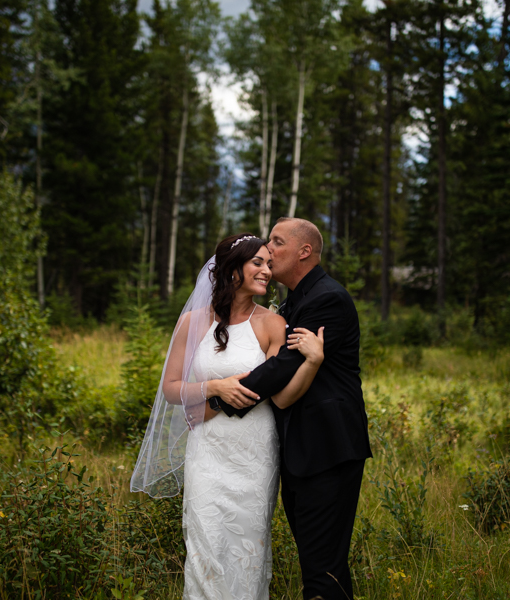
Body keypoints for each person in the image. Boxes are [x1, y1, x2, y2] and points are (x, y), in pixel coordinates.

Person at [131, 232, 325, 600]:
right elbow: (172, 388)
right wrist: (214, 388)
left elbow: (280, 397)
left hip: (254, 453)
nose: (267, 270)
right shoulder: (192, 322)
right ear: (232, 270)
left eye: (270, 263)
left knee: (247, 549)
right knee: (205, 546)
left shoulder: (273, 324)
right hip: (207, 452)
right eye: (259, 262)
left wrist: (313, 362)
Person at [214, 217, 372, 600]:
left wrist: (218, 398)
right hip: (302, 450)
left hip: (327, 449)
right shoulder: (293, 301)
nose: (268, 250)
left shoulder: (326, 299)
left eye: (277, 242)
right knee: (319, 562)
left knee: (322, 567)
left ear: (305, 252)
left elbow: (282, 366)